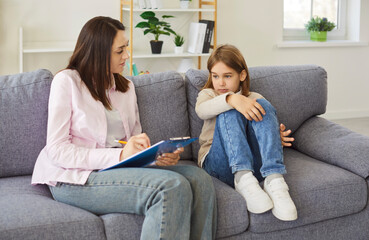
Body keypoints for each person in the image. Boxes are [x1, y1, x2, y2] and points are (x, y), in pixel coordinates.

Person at [32, 16, 217, 240]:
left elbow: (133, 143)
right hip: (75, 177)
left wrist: (155, 157)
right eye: (119, 51)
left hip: (118, 169)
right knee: (170, 186)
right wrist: (120, 154)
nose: (127, 56)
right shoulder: (67, 82)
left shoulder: (125, 87)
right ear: (98, 52)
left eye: (126, 48)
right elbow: (58, 150)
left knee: (200, 180)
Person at [195, 44, 297, 221]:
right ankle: (242, 179)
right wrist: (231, 98)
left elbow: (265, 127)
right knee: (230, 109)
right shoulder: (208, 95)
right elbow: (202, 111)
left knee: (262, 105)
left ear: (242, 75)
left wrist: (273, 136)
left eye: (227, 76)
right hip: (218, 164)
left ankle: (275, 181)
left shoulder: (255, 98)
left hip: (255, 167)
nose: (221, 83)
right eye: (215, 76)